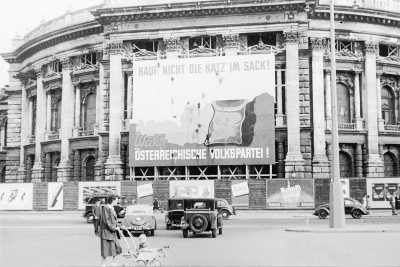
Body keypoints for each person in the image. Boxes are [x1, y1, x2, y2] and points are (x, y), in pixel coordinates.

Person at [100, 195, 122, 267]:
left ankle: (114, 263)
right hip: (107, 232)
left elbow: (114, 221)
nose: (117, 201)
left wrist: (119, 227)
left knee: (116, 247)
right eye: (116, 200)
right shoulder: (106, 208)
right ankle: (103, 264)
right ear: (113, 200)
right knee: (105, 250)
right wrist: (114, 228)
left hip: (112, 232)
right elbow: (106, 221)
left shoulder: (112, 208)